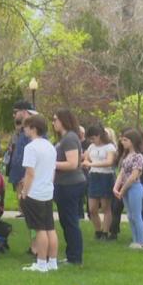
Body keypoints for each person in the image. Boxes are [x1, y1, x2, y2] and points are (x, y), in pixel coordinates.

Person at [18, 114, 58, 272]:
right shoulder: (50, 146)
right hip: (47, 190)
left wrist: (24, 192)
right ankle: (52, 262)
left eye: (26, 127)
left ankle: (42, 263)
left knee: (40, 229)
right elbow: (53, 170)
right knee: (50, 228)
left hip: (35, 192)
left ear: (33, 128)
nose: (24, 130)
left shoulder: (31, 147)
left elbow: (30, 173)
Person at [52, 109, 86, 266]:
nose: (53, 123)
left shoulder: (70, 138)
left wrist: (51, 163)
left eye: (55, 119)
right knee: (66, 221)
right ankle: (71, 254)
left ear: (64, 120)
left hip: (70, 184)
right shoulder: (63, 138)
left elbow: (73, 163)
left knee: (70, 221)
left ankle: (75, 257)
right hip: (63, 184)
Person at [114, 129, 143, 250]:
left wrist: (122, 190)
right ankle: (135, 241)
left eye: (125, 140)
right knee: (130, 216)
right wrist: (116, 187)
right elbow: (122, 172)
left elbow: (134, 176)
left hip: (134, 188)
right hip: (125, 188)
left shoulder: (139, 156)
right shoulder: (126, 155)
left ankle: (142, 242)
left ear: (132, 141)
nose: (122, 142)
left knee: (136, 215)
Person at [83, 125, 116, 239]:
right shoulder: (92, 146)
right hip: (93, 176)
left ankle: (105, 232)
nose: (92, 141)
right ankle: (98, 230)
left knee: (106, 206)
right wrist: (86, 162)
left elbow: (109, 162)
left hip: (105, 176)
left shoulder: (109, 147)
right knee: (92, 208)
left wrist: (91, 164)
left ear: (99, 136)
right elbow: (86, 157)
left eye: (93, 138)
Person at [5, 101, 36, 201]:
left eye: (16, 112)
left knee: (28, 205)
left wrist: (26, 176)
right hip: (18, 173)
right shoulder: (21, 131)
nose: (14, 115)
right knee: (22, 205)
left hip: (26, 174)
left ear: (24, 112)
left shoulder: (33, 129)